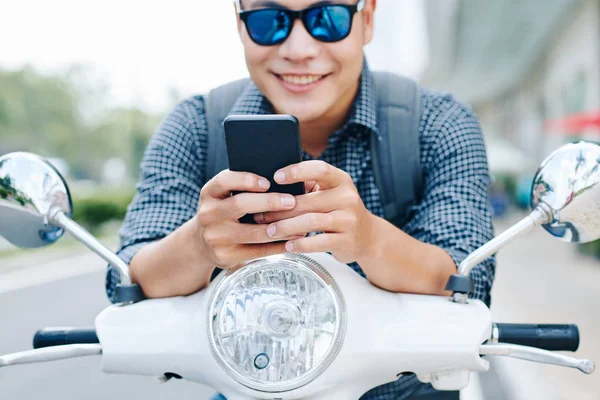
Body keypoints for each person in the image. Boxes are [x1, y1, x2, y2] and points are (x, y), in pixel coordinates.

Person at [106, 0, 495, 399]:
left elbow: (468, 280)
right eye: (268, 21)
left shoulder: (440, 123)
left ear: (367, 18)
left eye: (327, 18)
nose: (299, 49)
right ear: (240, 25)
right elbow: (126, 281)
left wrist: (369, 240)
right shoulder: (194, 127)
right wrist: (200, 244)